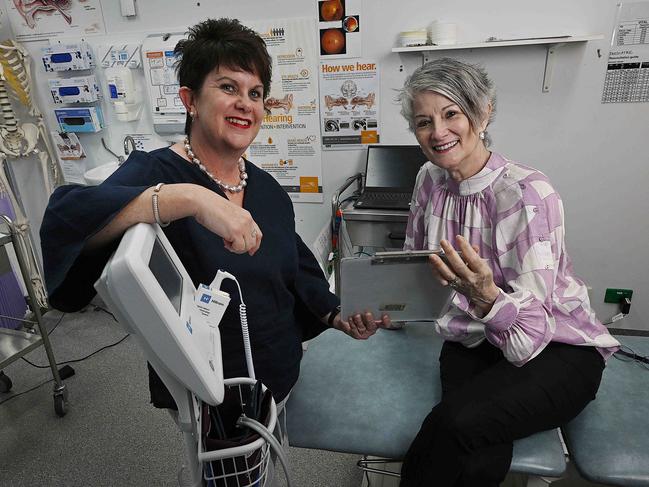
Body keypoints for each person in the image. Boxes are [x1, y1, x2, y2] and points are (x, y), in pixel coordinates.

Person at [40, 18, 386, 412]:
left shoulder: (267, 190)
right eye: (228, 87)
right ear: (190, 101)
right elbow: (66, 216)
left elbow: (296, 265)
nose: (245, 103)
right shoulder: (156, 174)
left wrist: (335, 312)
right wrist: (192, 199)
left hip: (278, 369)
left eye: (255, 93)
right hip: (206, 389)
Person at [396, 57, 620, 486]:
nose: (438, 132)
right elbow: (414, 260)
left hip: (557, 346)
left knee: (455, 423)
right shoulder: (428, 178)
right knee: (476, 448)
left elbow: (531, 332)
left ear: (483, 113)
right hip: (472, 338)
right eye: (424, 122)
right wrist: (388, 304)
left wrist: (486, 297)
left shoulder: (527, 192)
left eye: (451, 114)